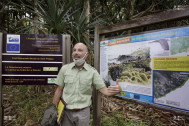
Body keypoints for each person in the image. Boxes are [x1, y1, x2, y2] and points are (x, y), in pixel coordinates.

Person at [52, 42, 122, 126]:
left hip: (83, 113)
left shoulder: (92, 72)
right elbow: (59, 90)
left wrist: (117, 90)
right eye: (74, 50)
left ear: (86, 54)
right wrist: (53, 108)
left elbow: (104, 91)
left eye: (80, 50)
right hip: (66, 112)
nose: (76, 53)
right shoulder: (64, 69)